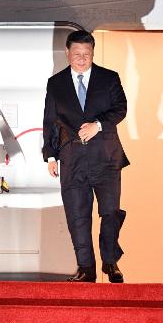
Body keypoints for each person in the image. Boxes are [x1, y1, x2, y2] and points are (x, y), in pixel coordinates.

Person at [42, 30, 129, 283]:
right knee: (77, 214)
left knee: (110, 211)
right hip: (72, 158)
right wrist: (50, 156)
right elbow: (50, 120)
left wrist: (98, 124)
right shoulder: (55, 83)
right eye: (77, 54)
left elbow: (120, 108)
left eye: (87, 54)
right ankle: (85, 268)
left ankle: (110, 261)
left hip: (106, 156)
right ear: (68, 53)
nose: (82, 59)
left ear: (93, 53)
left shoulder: (108, 78)